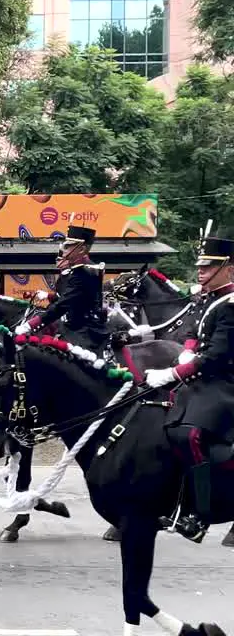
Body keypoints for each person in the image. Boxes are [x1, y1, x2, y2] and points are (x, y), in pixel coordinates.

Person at [144, 232, 234, 542]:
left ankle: (201, 514)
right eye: (201, 266)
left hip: (224, 382)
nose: (201, 271)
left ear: (230, 269)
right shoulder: (210, 298)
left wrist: (173, 372)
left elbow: (216, 357)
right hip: (203, 377)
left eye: (209, 267)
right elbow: (195, 332)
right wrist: (187, 348)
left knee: (190, 433)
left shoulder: (231, 304)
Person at [15, 225, 109, 355]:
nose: (64, 249)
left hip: (85, 332)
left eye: (69, 246)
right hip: (76, 327)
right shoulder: (82, 269)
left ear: (81, 249)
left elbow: (62, 304)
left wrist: (30, 325)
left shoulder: (83, 272)